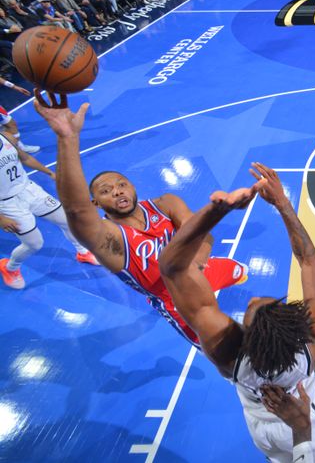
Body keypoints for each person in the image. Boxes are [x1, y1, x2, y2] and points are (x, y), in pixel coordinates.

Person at [33, 91, 248, 347]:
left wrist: (196, 267)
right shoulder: (108, 238)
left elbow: (203, 235)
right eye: (105, 191)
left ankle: (231, 273)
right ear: (96, 203)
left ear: (132, 187)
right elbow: (76, 209)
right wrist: (67, 138)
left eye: (121, 184)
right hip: (177, 302)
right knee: (228, 353)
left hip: (201, 270)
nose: (116, 190)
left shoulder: (166, 204)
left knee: (240, 269)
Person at [157, 163, 315, 462]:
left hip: (260, 429)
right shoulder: (314, 344)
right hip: (307, 427)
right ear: (299, 330)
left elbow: (171, 267)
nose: (253, 296)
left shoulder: (229, 357)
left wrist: (218, 212)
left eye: (249, 309)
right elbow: (307, 258)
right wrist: (282, 202)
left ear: (247, 338)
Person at [0, 129, 99, 289]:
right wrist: (1, 218)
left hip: (29, 190)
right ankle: (9, 268)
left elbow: (24, 157)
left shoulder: (5, 137)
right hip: (7, 204)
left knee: (67, 220)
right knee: (34, 244)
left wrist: (49, 173)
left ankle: (82, 252)